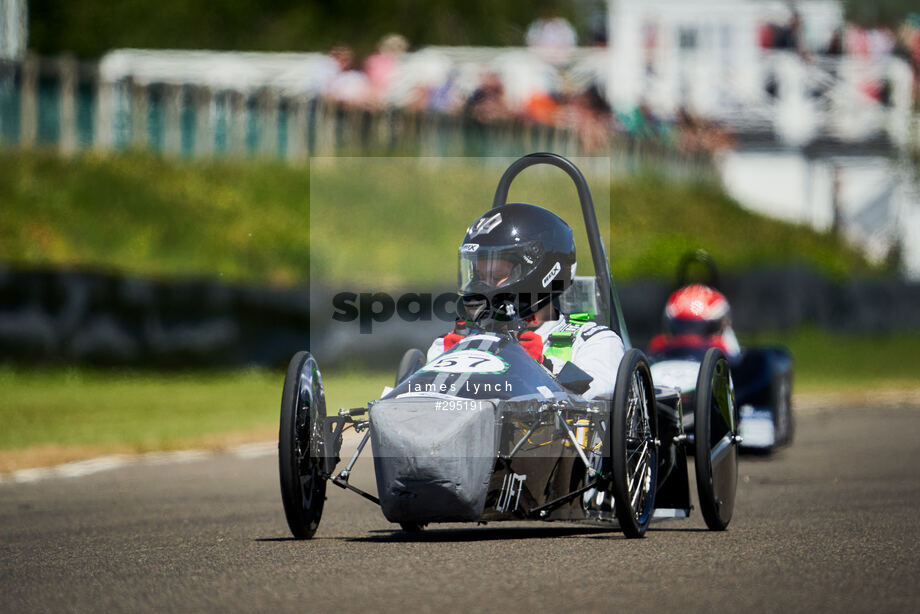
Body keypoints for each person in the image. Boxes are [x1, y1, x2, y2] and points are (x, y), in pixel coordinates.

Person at [426, 203, 624, 400]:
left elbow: (594, 391)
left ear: (542, 274)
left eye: (497, 276)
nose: (483, 288)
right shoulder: (452, 343)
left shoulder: (595, 342)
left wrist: (537, 367)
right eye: (479, 276)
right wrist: (447, 362)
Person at [648, 283, 741, 359]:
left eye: (698, 327)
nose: (690, 339)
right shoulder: (658, 350)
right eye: (682, 326)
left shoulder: (727, 350)